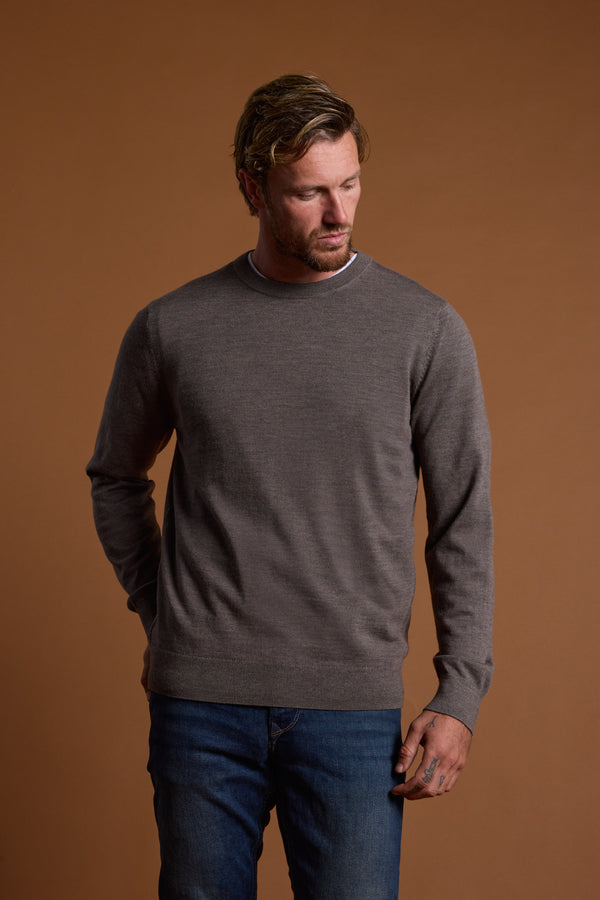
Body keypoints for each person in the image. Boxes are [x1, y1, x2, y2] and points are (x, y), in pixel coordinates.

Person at [87, 74, 494, 899]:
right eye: (309, 193)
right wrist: (163, 610)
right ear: (252, 188)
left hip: (352, 714)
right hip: (200, 708)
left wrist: (460, 692)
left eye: (349, 184)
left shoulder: (424, 328)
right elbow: (115, 477)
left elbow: (463, 520)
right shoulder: (174, 326)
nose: (339, 213)